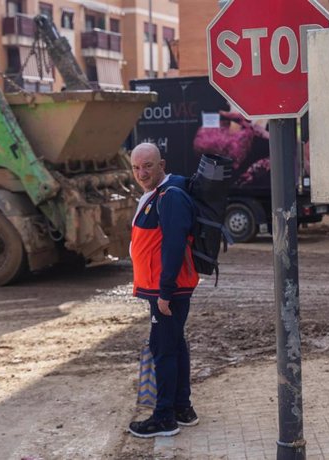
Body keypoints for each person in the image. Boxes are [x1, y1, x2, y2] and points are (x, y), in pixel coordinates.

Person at [128, 142, 200, 438]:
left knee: (163, 350)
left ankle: (164, 418)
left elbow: (173, 246)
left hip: (168, 291)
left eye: (147, 166)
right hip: (163, 288)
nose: (141, 173)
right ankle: (183, 409)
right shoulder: (157, 194)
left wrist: (165, 293)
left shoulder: (170, 197)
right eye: (136, 167)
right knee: (174, 345)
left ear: (162, 165)